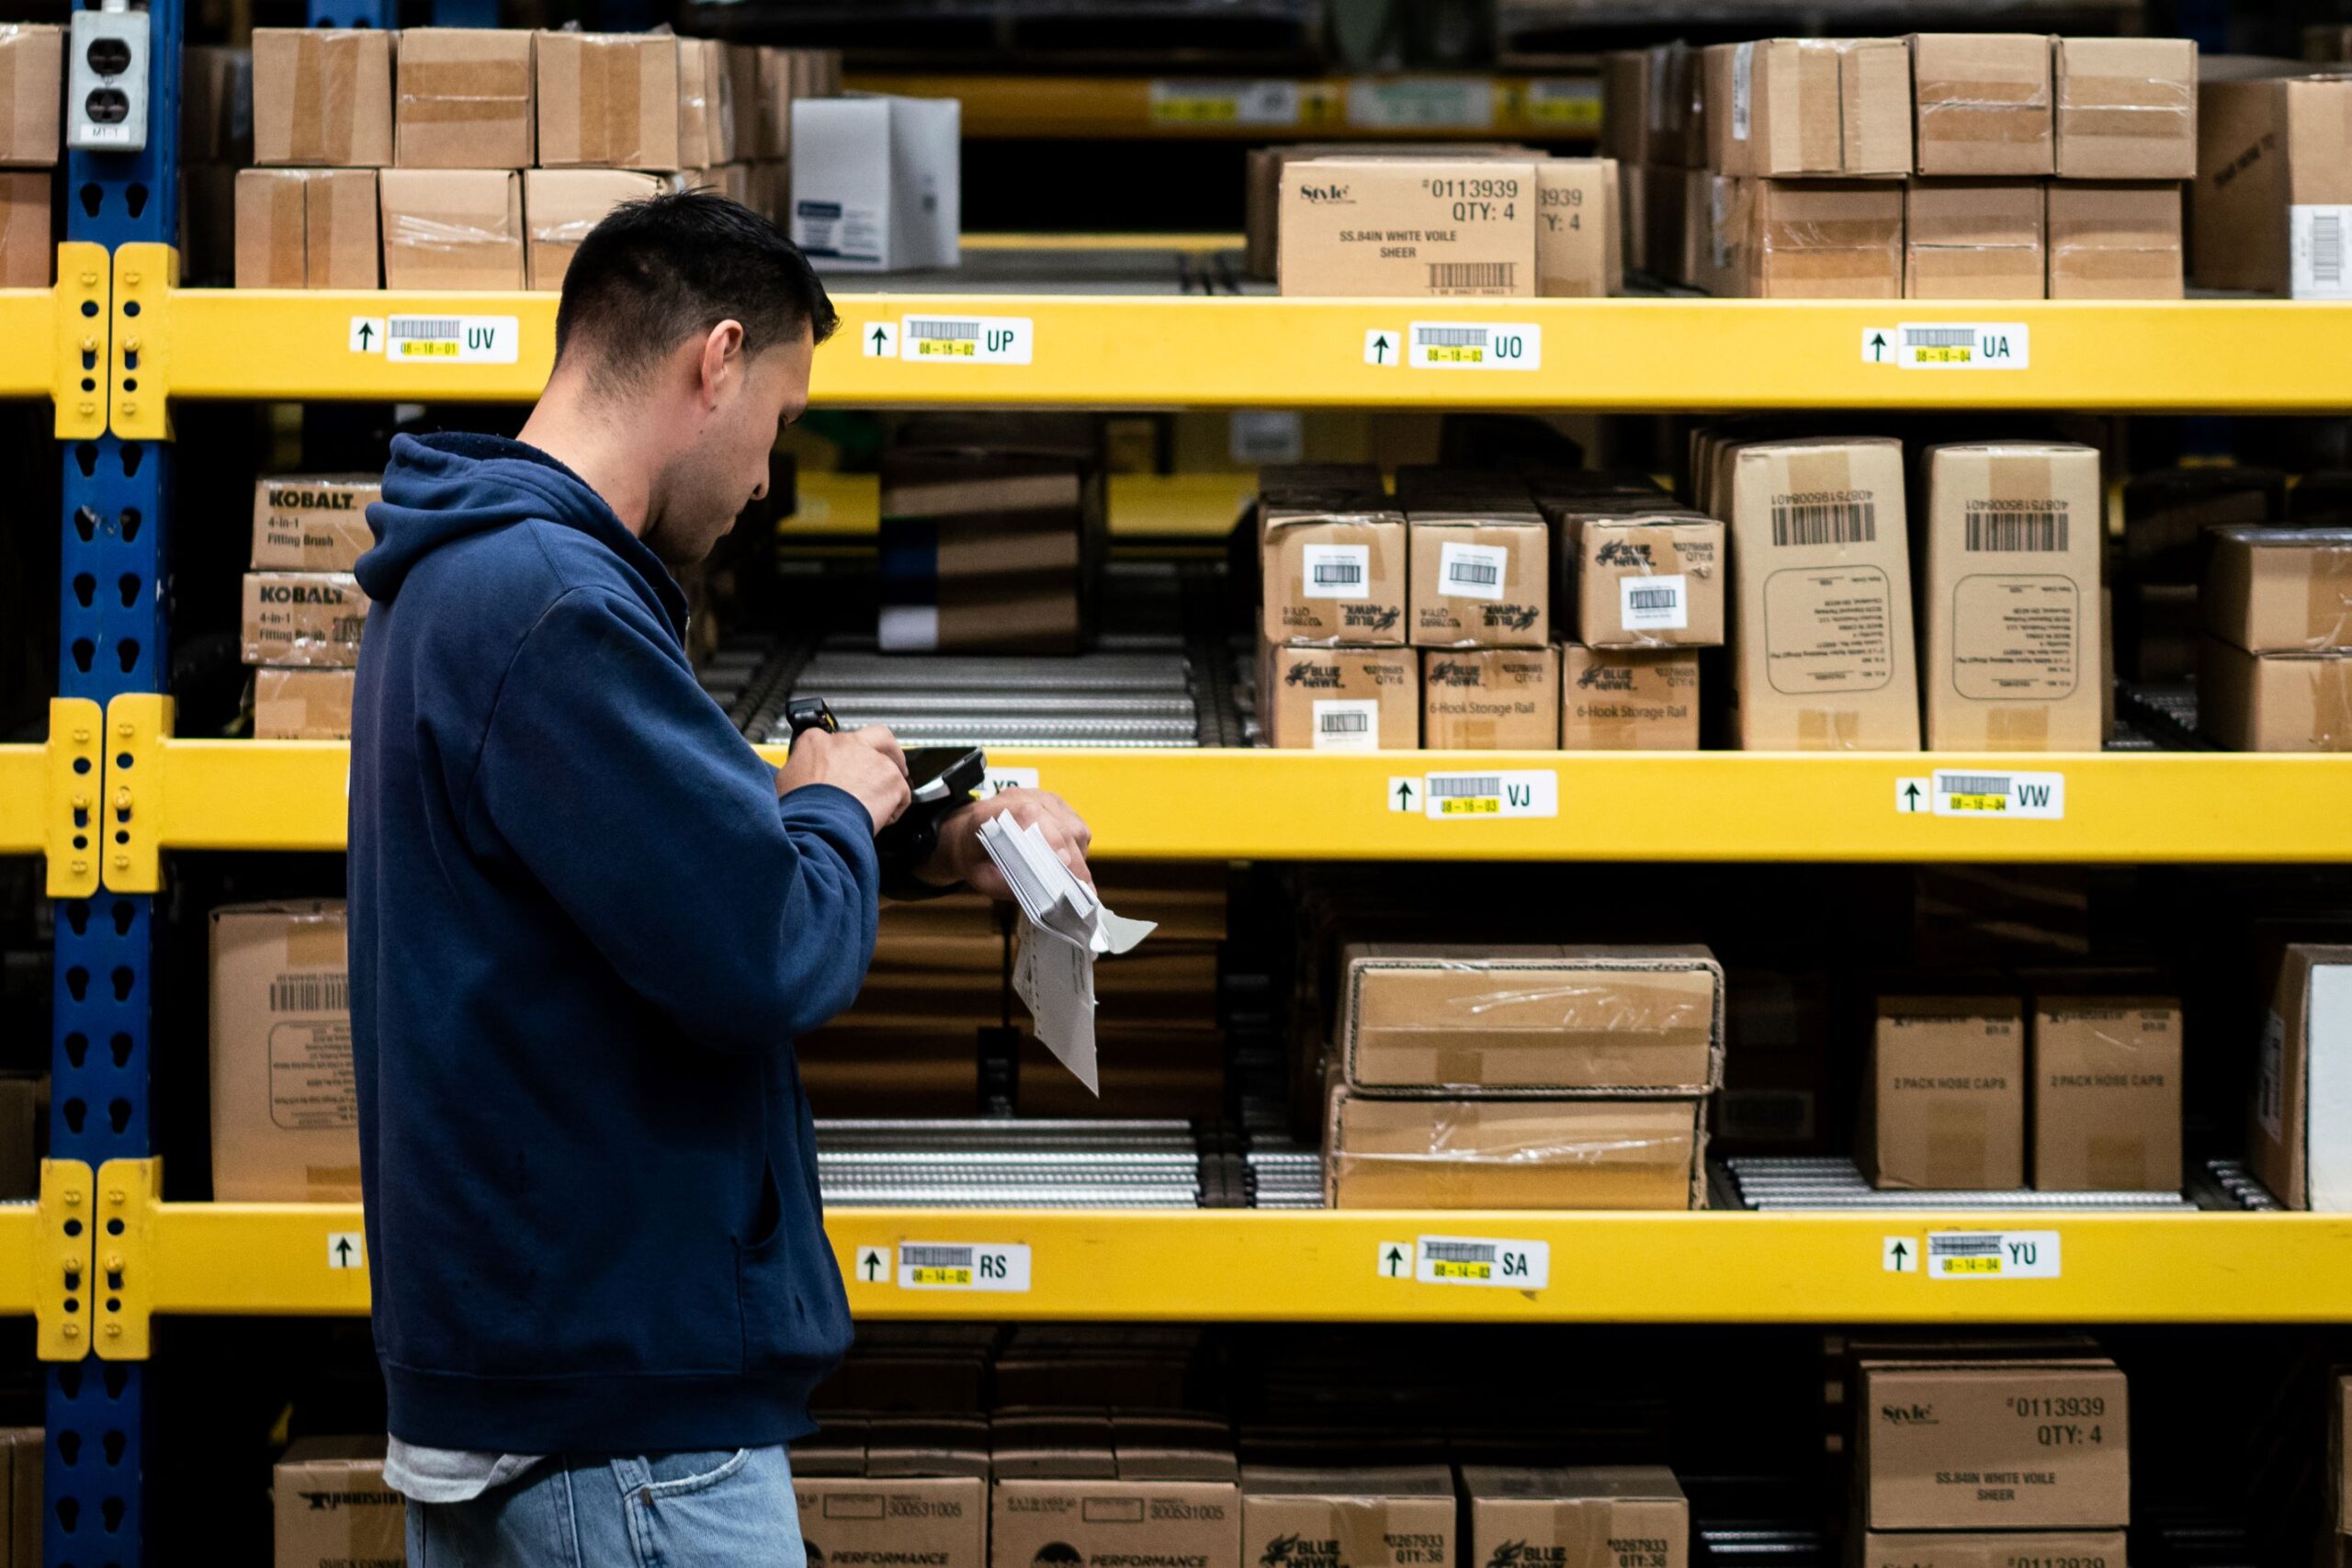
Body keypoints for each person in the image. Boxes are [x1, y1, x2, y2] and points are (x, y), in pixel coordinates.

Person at [347, 192, 1095, 1565]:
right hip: (616, 1430)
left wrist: (915, 842)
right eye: (783, 421)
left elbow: (642, 879)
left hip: (548, 1390)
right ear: (716, 359)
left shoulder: (477, 578)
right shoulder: (552, 606)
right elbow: (765, 953)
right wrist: (819, 805)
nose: (765, 476)